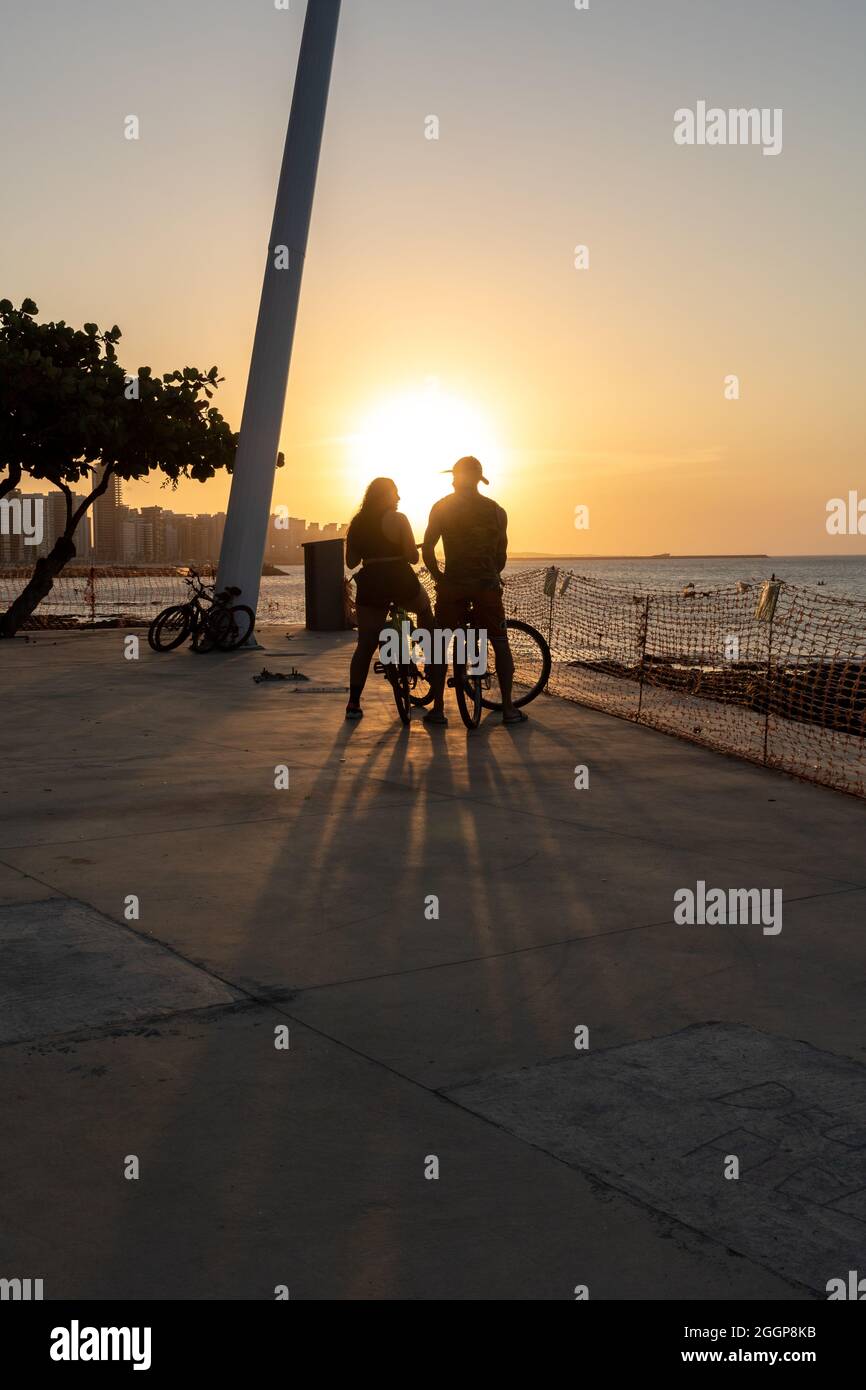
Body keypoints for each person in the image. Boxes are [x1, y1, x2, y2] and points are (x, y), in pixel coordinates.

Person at [422, 455, 526, 725]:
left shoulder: (442, 507)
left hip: (453, 585)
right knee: (500, 643)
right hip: (486, 587)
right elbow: (501, 555)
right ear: (479, 480)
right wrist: (491, 574)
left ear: (455, 479)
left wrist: (438, 576)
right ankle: (508, 708)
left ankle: (438, 709)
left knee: (439, 642)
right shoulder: (496, 511)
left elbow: (428, 548)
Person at [344, 477, 434, 720]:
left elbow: (351, 562)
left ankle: (353, 702)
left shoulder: (358, 523)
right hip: (399, 580)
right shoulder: (399, 519)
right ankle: (432, 663)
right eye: (395, 493)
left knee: (365, 644)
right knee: (425, 610)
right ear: (387, 496)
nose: (399, 498)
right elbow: (413, 558)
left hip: (371, 584)